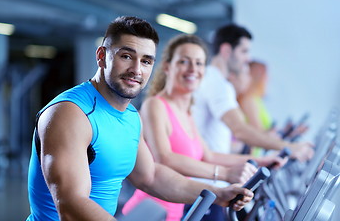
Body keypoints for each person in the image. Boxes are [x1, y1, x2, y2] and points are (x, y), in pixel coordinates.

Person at [26, 16, 254, 221]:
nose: (137, 69)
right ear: (102, 56)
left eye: (146, 61)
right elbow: (71, 204)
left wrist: (217, 194)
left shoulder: (131, 116)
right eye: (126, 56)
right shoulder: (71, 113)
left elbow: (151, 176)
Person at [122, 34, 284, 221]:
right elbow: (165, 158)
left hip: (177, 212)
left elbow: (209, 156)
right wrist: (225, 174)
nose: (193, 69)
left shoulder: (187, 112)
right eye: (184, 61)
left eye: (199, 63)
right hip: (150, 213)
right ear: (167, 66)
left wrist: (263, 161)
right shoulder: (155, 105)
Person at [192, 24, 314, 161]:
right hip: (210, 177)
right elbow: (240, 130)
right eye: (244, 51)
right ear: (226, 50)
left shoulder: (209, 78)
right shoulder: (218, 84)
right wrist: (289, 147)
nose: (248, 59)